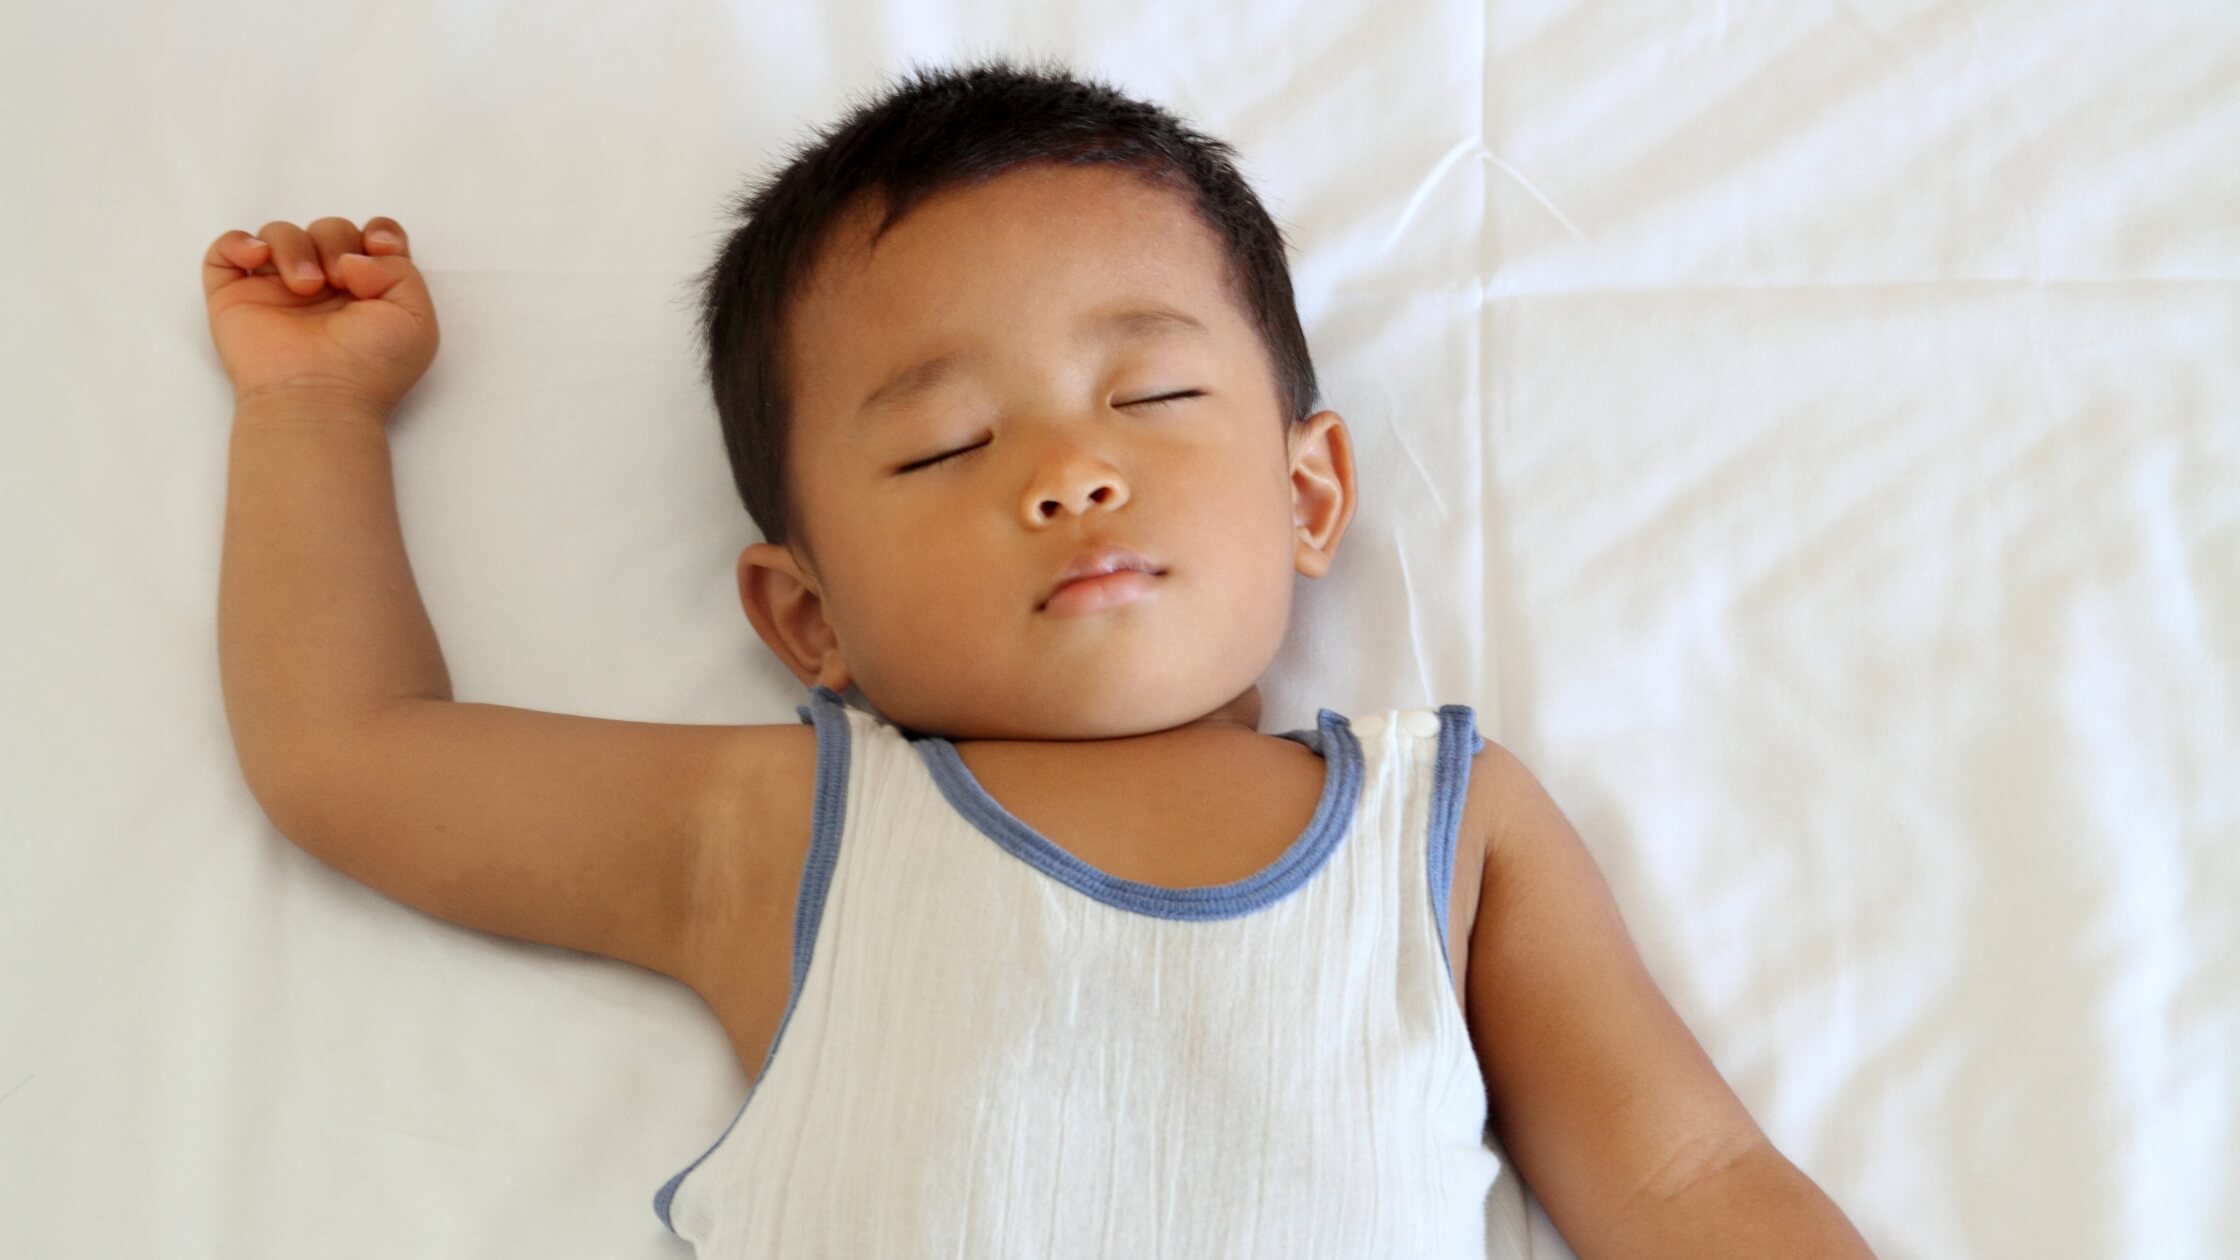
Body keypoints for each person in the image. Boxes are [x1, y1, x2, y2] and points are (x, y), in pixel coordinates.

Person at [205, 54, 1875, 1259]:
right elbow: (347, 749)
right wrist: (310, 413)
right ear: (811, 621)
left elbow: (1684, 1187)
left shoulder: (1443, 831)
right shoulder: (778, 831)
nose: (1066, 473)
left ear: (1309, 492)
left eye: (1148, 398)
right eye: (942, 445)